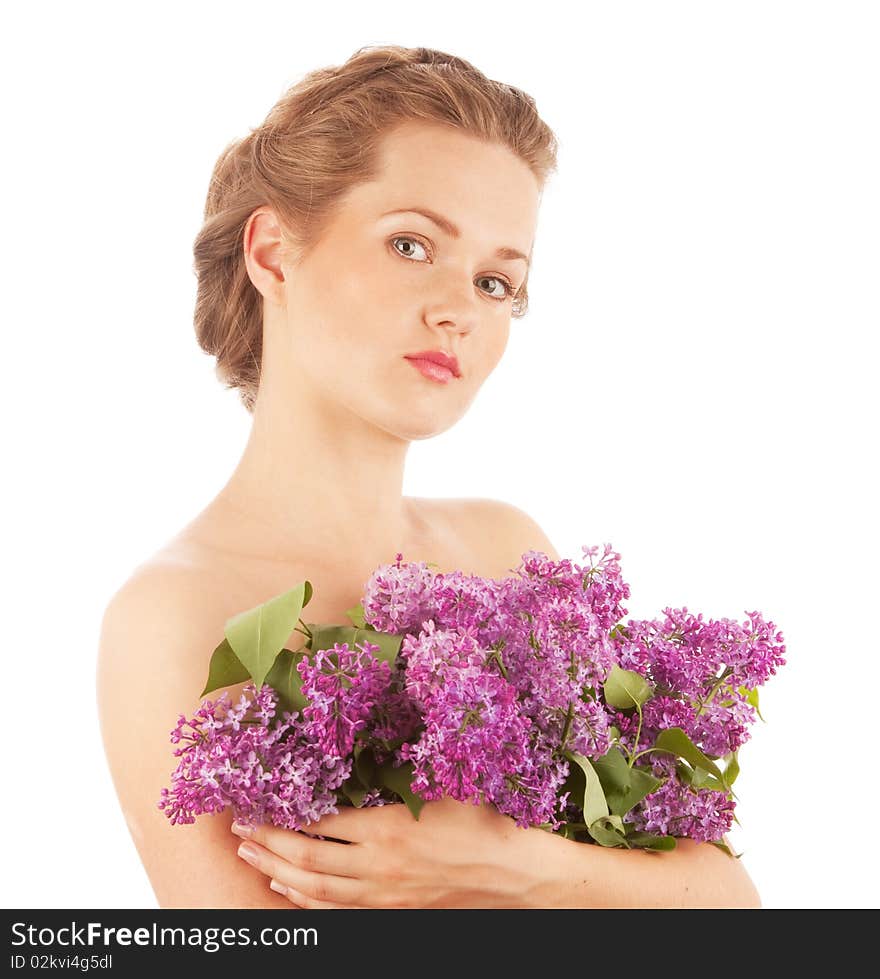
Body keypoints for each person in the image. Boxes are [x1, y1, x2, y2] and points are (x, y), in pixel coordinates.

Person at [97, 44, 761, 909]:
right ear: (272, 252)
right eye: (411, 244)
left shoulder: (507, 545)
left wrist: (510, 866)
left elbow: (729, 900)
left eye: (495, 281)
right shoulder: (172, 618)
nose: (459, 309)